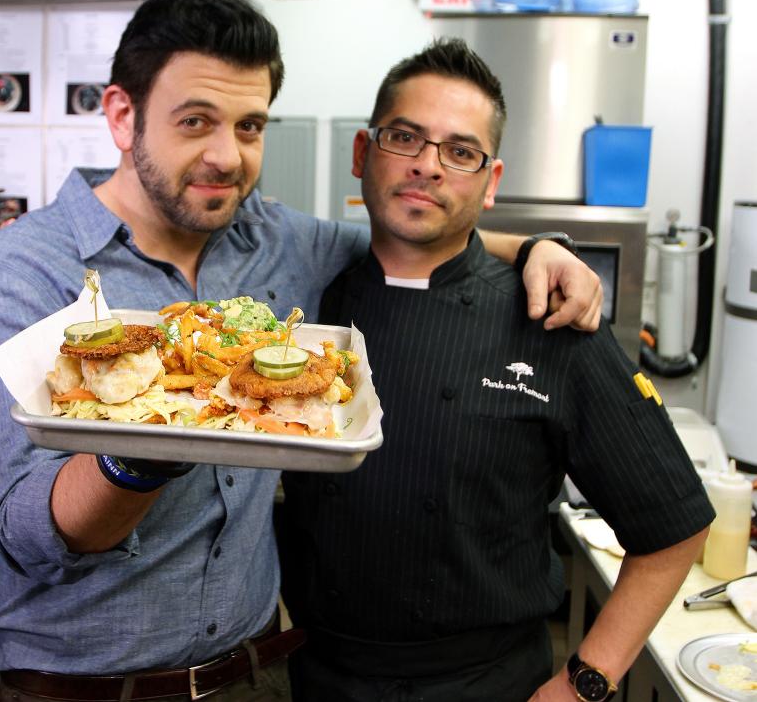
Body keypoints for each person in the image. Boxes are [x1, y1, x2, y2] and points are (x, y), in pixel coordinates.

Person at [0, 0, 602, 702]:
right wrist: (135, 448)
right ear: (121, 115)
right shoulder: (14, 271)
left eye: (251, 125)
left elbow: (411, 239)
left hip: (258, 675)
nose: (228, 156)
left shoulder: (275, 239)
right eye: (196, 121)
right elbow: (24, 535)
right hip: (81, 691)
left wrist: (537, 246)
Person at [278, 37, 714, 702]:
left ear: (491, 182)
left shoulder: (549, 316)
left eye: (460, 151)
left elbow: (674, 526)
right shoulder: (301, 307)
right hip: (317, 678)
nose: (428, 166)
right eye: (405, 137)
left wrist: (583, 683)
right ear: (364, 153)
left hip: (491, 682)